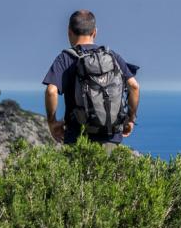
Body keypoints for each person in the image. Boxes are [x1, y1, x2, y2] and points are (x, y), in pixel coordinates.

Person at [43, 10, 140, 150]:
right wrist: (130, 119)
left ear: (69, 31)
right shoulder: (111, 56)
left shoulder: (66, 58)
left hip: (78, 136)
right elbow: (134, 86)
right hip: (111, 136)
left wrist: (52, 122)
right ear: (95, 32)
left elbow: (51, 91)